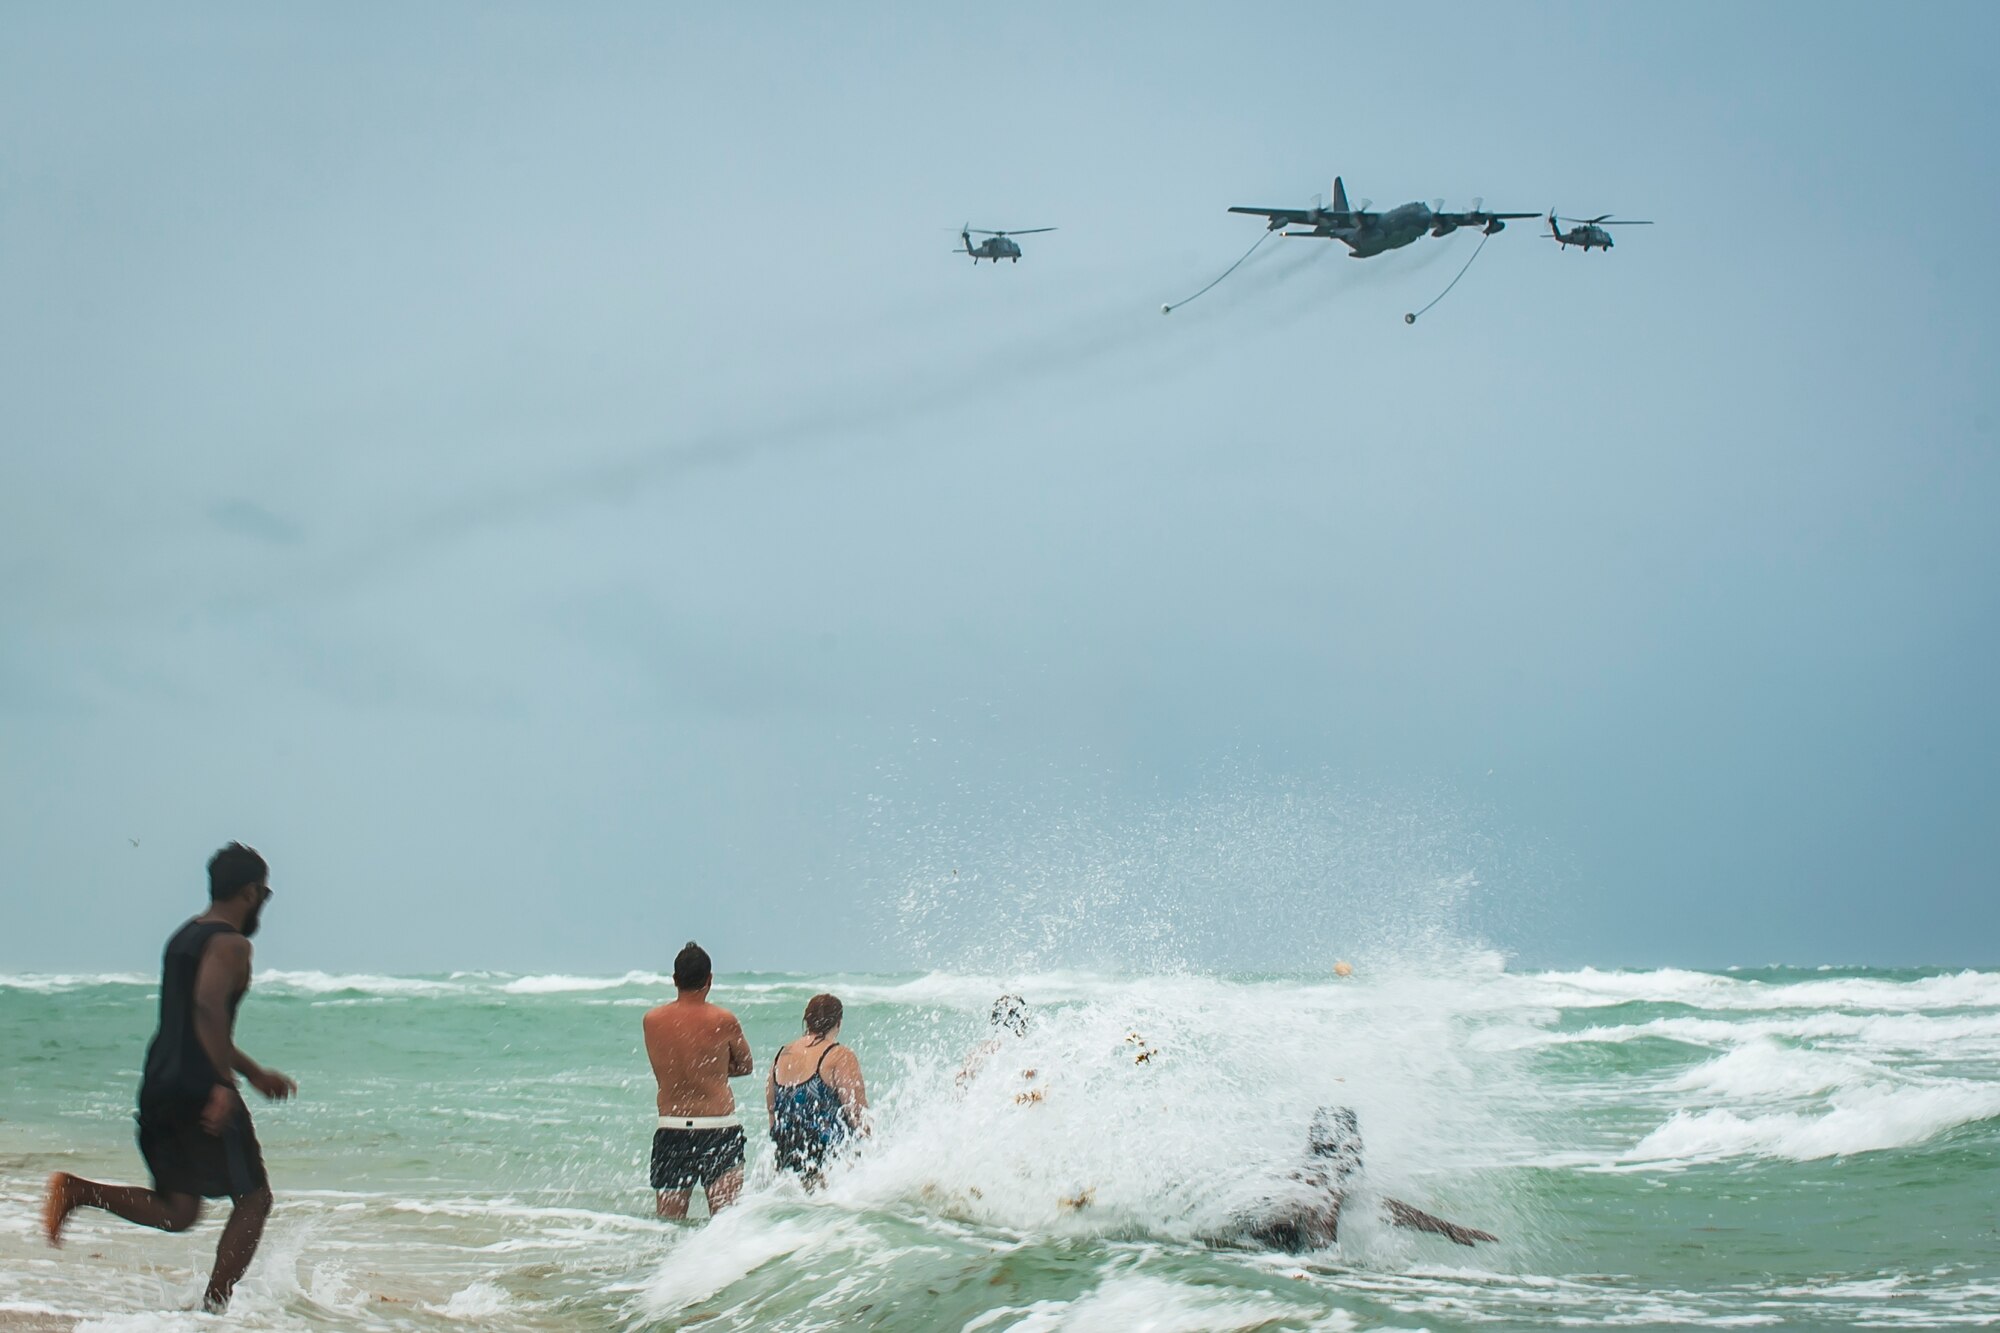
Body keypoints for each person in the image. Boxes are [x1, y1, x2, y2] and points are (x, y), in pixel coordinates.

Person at [41, 842, 298, 1312]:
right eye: (264, 891)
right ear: (249, 891)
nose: (265, 900)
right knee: (254, 1199)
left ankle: (79, 1191)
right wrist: (223, 1084)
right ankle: (215, 1307)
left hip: (161, 1079)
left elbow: (193, 1021)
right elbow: (207, 1007)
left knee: (179, 1210)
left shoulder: (184, 938)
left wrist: (254, 1073)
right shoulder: (232, 944)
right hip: (199, 1087)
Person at [1226, 1107, 1497, 1253]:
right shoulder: (1325, 1184)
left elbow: (1380, 1207)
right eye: (1357, 1143)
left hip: (1240, 1246)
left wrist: (1447, 1229)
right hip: (1254, 1252)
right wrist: (1333, 1268)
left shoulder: (1308, 1175)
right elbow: (1322, 1239)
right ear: (1349, 1146)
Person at [642, 942, 752, 1218]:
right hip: (718, 1127)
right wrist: (714, 1071)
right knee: (724, 1224)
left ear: (675, 979)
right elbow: (745, 1065)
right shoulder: (723, 1019)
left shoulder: (652, 1020)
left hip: (672, 1128)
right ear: (709, 979)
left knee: (669, 1224)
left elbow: (667, 1065)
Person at [766, 993, 867, 1187]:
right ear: (838, 1023)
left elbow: (772, 1110)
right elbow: (857, 1113)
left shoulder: (781, 1054)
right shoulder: (839, 1055)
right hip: (828, 1159)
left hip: (789, 1152)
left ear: (807, 1020)